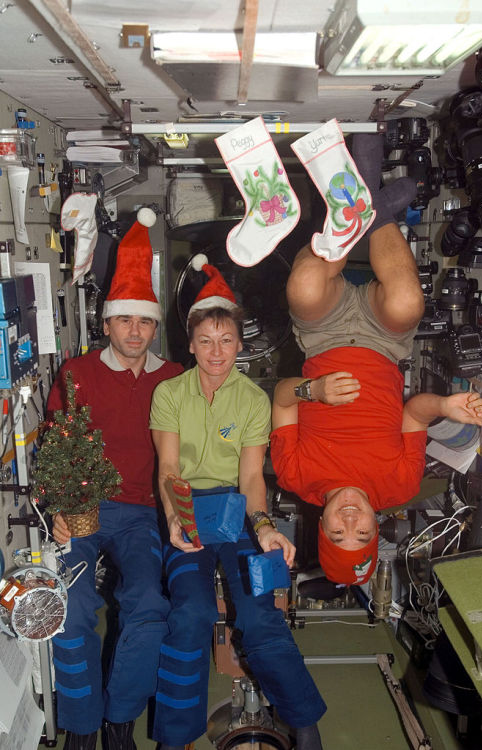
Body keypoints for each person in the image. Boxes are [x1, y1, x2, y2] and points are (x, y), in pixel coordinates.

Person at [271, 132, 482, 586]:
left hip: (322, 336)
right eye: (362, 532)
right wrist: (445, 407)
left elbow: (281, 399)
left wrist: (314, 391)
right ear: (377, 528)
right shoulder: (401, 486)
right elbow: (413, 412)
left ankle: (369, 201)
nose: (350, 520)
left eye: (337, 531)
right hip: (386, 344)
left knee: (303, 288)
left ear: (321, 529)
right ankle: (367, 199)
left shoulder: (294, 476)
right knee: (409, 301)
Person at [150, 255, 326, 750]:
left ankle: (304, 724)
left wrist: (265, 526)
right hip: (187, 508)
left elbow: (251, 475)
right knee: (189, 612)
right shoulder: (169, 394)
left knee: (259, 616)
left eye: (226, 340)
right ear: (191, 344)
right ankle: (174, 738)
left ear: (239, 344)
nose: (216, 351)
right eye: (205, 341)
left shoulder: (252, 400)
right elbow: (168, 470)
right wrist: (173, 519)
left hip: (236, 509)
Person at [47, 211, 183, 750]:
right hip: (82, 508)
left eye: (144, 322)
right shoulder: (77, 374)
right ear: (106, 323)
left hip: (141, 513)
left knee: (148, 602)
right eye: (125, 320)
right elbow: (58, 443)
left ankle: (120, 717)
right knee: (72, 608)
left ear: (154, 327)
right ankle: (82, 723)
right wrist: (58, 505)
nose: (135, 331)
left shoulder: (173, 379)